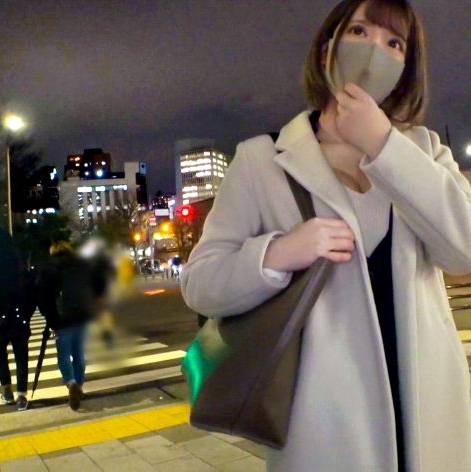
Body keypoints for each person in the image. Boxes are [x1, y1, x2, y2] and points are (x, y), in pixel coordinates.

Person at [181, 1, 471, 471]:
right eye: (359, 32)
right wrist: (277, 254)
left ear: (406, 69)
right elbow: (200, 284)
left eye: (394, 43)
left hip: (430, 423)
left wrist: (382, 144)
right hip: (323, 434)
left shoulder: (424, 151)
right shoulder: (262, 161)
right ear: (326, 51)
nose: (375, 51)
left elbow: (465, 251)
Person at [38, 241, 103, 411]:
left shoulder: (49, 269)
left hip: (62, 320)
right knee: (79, 353)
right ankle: (79, 385)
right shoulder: (83, 265)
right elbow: (98, 286)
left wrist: (51, 319)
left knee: (64, 355)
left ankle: (71, 382)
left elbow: (43, 298)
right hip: (82, 316)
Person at [0, 213, 32, 410]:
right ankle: (22, 395)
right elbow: (25, 282)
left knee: (0, 352)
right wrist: (26, 312)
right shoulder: (9, 245)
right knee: (21, 353)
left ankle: (6, 389)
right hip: (17, 310)